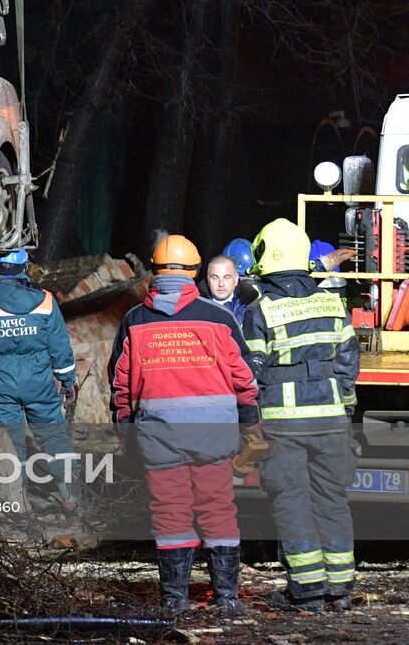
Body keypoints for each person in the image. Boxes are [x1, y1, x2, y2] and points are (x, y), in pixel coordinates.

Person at [109, 233, 259, 616]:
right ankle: (226, 599)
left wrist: (126, 433)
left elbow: (121, 386)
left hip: (159, 435)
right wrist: (249, 424)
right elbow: (244, 379)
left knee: (170, 512)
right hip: (212, 434)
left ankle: (175, 600)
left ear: (154, 271)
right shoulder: (219, 319)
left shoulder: (135, 321)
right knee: (218, 510)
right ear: (195, 272)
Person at [243, 218, 360, 613]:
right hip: (331, 419)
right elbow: (348, 363)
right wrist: (344, 408)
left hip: (283, 424)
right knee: (332, 498)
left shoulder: (261, 311)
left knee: (291, 501)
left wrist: (249, 421)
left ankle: (307, 593)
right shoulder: (331, 303)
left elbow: (251, 373)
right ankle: (340, 588)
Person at [0, 249, 78, 506]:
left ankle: (17, 500)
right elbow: (59, 346)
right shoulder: (45, 301)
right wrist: (67, 381)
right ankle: (69, 496)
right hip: (39, 382)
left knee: (10, 441)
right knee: (53, 436)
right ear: (24, 264)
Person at [200, 254, 258, 326]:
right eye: (215, 278)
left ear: (236, 279)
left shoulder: (252, 305)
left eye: (226, 277)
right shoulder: (196, 307)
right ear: (208, 280)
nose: (221, 284)